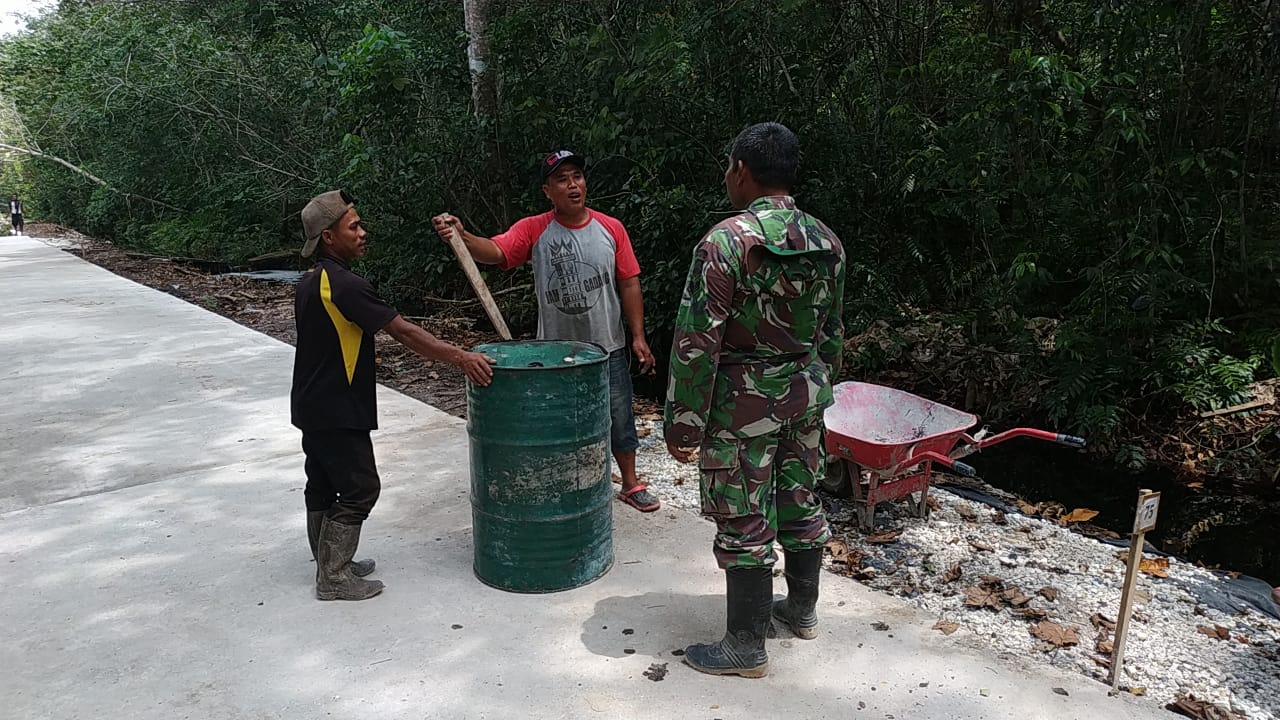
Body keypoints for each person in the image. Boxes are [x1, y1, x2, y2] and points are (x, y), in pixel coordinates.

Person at [664, 123, 846, 677]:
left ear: (742, 170)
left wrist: (684, 423)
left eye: (728, 167)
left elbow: (698, 342)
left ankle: (746, 646)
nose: (726, 176)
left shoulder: (725, 243)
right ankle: (802, 612)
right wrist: (821, 392)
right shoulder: (827, 241)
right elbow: (832, 331)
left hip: (742, 408)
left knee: (742, 514)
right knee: (799, 500)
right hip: (805, 398)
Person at [292, 189, 495, 601]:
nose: (363, 233)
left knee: (322, 482)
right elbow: (403, 332)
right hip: (337, 408)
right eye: (354, 227)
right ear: (329, 238)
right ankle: (333, 576)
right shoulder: (346, 285)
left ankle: (331, 560)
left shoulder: (312, 281)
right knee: (360, 487)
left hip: (311, 404)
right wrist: (460, 356)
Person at [432, 150, 661, 513]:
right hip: (556, 353)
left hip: (609, 345)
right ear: (547, 190)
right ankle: (566, 483)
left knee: (619, 415)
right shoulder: (535, 229)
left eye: (577, 177)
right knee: (557, 420)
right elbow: (494, 251)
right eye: (562, 179)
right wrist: (462, 236)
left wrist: (638, 336)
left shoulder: (611, 228)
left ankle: (630, 484)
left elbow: (629, 283)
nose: (573, 185)